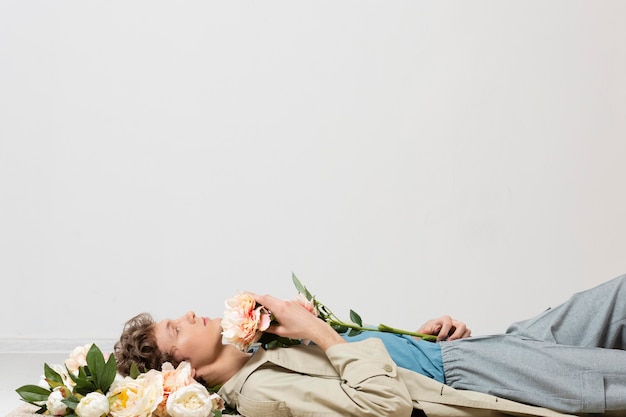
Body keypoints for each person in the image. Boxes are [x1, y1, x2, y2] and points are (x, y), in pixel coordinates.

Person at [114, 274, 626, 417]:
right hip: (477, 378)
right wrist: (317, 331)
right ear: (187, 374)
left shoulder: (261, 351)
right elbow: (385, 405)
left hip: (476, 352)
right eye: (176, 331)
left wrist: (421, 337)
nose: (187, 315)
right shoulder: (260, 393)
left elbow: (374, 363)